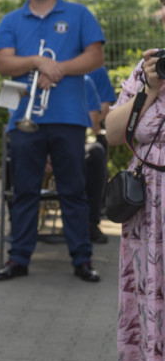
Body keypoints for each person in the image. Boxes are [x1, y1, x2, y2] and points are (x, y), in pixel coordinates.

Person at [0, 0, 105, 283]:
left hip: (69, 117)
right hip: (25, 120)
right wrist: (38, 62)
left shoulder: (79, 14)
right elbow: (5, 65)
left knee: (73, 190)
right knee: (25, 190)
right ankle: (18, 258)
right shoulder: (11, 20)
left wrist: (57, 68)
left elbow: (95, 57)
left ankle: (82, 258)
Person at [105, 0, 165, 361]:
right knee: (158, 322)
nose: (162, 13)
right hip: (149, 220)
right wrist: (150, 89)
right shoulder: (147, 69)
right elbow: (112, 132)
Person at [84, 74, 109, 244]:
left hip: (73, 141)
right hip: (35, 142)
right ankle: (18, 224)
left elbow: (94, 119)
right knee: (14, 149)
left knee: (96, 152)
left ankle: (91, 223)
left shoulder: (86, 80)